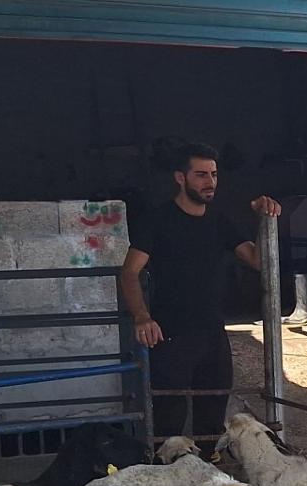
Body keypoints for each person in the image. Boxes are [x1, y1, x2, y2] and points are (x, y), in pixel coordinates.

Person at [119, 143, 280, 451]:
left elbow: (259, 260)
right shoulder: (158, 219)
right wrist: (142, 316)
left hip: (212, 333)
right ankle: (169, 481)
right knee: (169, 420)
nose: (210, 182)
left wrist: (264, 218)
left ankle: (208, 481)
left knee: (212, 414)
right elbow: (130, 272)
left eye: (214, 175)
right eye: (201, 174)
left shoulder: (219, 220)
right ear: (180, 178)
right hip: (170, 335)